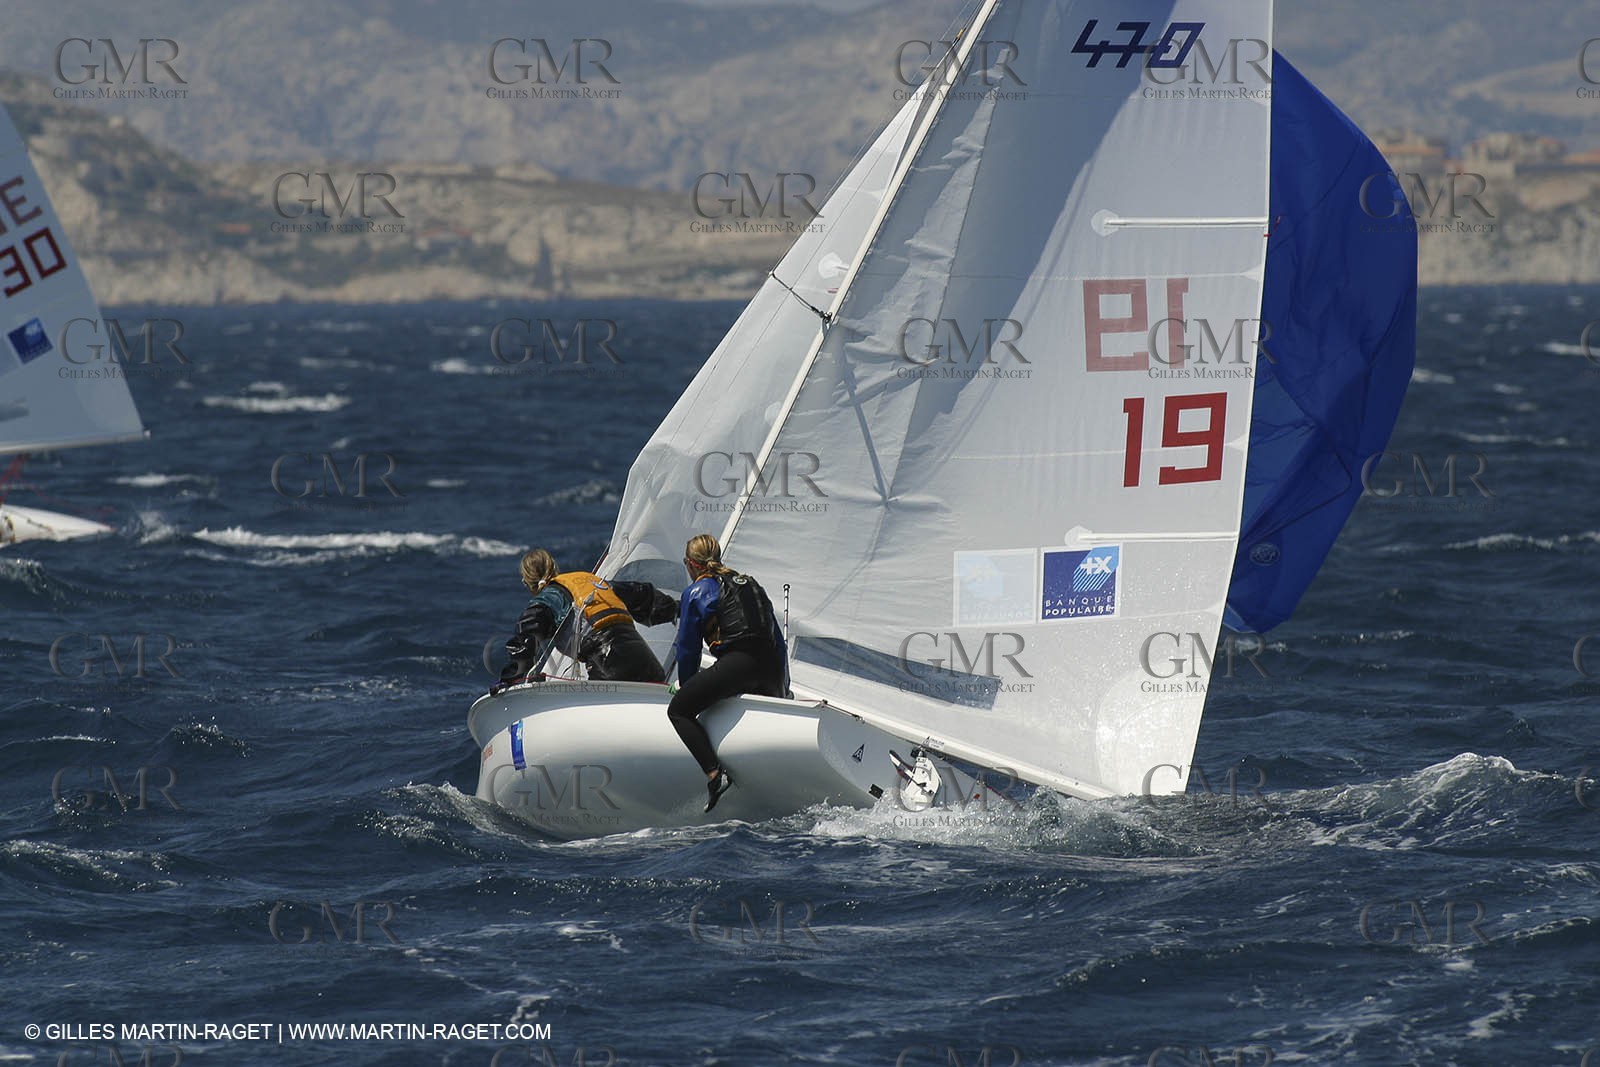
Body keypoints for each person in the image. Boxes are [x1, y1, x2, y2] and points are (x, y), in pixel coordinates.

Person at [667, 533, 789, 812]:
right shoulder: (751, 584)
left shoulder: (697, 591)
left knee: (678, 711)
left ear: (691, 564)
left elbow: (687, 648)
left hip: (739, 665)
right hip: (770, 669)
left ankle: (714, 775)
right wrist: (781, 689)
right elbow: (777, 641)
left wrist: (688, 689)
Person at [492, 549, 678, 691]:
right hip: (649, 665)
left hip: (610, 671)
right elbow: (642, 595)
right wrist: (679, 608)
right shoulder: (589, 581)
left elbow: (526, 636)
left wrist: (510, 680)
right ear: (554, 567)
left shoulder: (547, 598)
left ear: (527, 583)